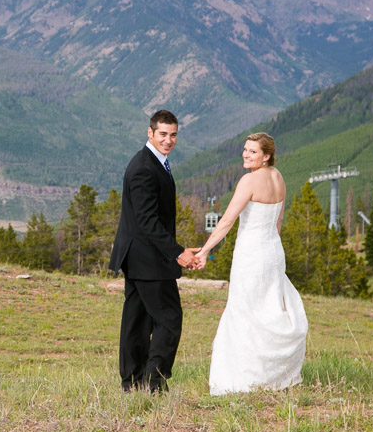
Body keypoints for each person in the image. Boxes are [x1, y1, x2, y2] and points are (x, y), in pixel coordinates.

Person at [193, 132, 308, 396]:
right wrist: (272, 249)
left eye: (253, 151)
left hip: (251, 253)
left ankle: (243, 379)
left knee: (245, 310)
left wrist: (205, 250)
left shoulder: (249, 181)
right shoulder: (278, 177)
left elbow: (227, 221)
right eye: (245, 149)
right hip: (273, 251)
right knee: (269, 308)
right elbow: (278, 222)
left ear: (266, 156)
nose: (246, 154)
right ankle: (273, 375)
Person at [109, 109, 200, 393]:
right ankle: (154, 382)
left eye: (173, 135)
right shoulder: (144, 168)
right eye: (163, 134)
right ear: (150, 133)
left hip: (140, 257)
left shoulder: (154, 162)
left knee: (136, 321)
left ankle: (132, 382)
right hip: (147, 259)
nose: (168, 140)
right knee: (169, 319)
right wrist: (178, 252)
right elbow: (146, 222)